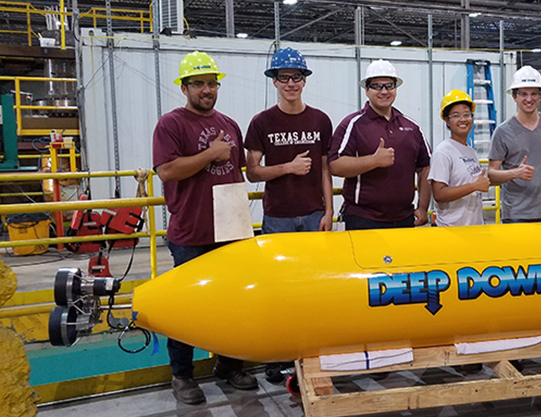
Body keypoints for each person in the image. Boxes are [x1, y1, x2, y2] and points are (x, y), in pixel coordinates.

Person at [152, 51, 257, 405]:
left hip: (230, 230)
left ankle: (229, 363)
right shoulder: (171, 124)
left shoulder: (230, 124)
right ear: (185, 88)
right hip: (191, 233)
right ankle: (181, 375)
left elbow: (236, 173)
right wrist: (210, 154)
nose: (206, 89)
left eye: (211, 83)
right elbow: (166, 171)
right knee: (187, 309)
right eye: (198, 83)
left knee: (233, 304)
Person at [243, 46, 334, 383]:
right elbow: (252, 172)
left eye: (297, 77)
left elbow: (326, 169)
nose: (291, 84)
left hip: (313, 215)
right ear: (275, 82)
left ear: (304, 81)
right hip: (278, 217)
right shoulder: (261, 123)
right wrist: (288, 168)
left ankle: (312, 352)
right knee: (279, 290)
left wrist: (329, 211)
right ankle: (277, 358)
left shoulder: (320, 120)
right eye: (284, 78)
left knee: (314, 289)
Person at [329, 59, 431, 230]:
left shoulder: (412, 127)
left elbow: (425, 167)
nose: (384, 91)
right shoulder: (353, 125)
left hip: (405, 219)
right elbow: (335, 165)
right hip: (363, 219)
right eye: (377, 86)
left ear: (395, 89)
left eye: (389, 86)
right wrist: (373, 161)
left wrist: (422, 207)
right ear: (366, 90)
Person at [487, 66, 541, 223]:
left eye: (533, 94)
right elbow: (491, 175)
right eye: (523, 94)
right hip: (516, 214)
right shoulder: (503, 132)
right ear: (514, 97)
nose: (528, 99)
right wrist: (515, 173)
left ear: (540, 97)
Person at [428, 90, 489, 226]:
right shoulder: (443, 152)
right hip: (451, 230)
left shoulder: (471, 152)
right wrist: (474, 186)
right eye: (455, 115)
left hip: (473, 228)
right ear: (447, 121)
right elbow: (439, 194)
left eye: (466, 114)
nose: (462, 119)